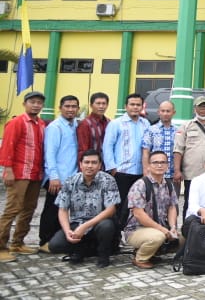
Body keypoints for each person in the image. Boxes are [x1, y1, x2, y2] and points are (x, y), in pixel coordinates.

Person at [48, 150, 120, 267]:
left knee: (106, 226)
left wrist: (85, 226)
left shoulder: (108, 180)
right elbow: (62, 209)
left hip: (99, 224)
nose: (90, 166)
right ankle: (81, 250)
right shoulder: (70, 181)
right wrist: (67, 231)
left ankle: (103, 255)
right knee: (55, 245)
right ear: (81, 164)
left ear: (100, 165)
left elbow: (111, 210)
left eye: (94, 162)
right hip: (77, 223)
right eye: (86, 162)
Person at [0, 90, 47, 262]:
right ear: (25, 104)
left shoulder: (41, 124)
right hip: (19, 173)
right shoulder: (17, 122)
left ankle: (17, 242)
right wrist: (8, 169)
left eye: (39, 103)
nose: (36, 105)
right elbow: (8, 146)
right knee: (12, 209)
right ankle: (1, 246)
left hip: (35, 173)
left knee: (29, 209)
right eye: (32, 102)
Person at [124, 151, 179, 269]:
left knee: (185, 237)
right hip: (136, 230)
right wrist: (162, 230)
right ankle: (140, 258)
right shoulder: (140, 185)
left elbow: (172, 207)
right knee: (158, 237)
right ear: (148, 165)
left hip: (161, 227)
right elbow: (138, 214)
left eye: (163, 162)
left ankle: (155, 251)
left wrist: (173, 227)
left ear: (167, 165)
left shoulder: (169, 184)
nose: (159, 165)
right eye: (155, 162)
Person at [102, 92, 150, 228]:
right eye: (132, 104)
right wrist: (112, 168)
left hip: (140, 173)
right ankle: (116, 235)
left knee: (137, 206)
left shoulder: (145, 123)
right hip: (121, 172)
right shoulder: (116, 124)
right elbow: (107, 146)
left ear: (142, 107)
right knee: (119, 205)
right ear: (126, 106)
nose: (135, 107)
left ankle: (133, 233)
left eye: (138, 105)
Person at [40, 95, 80, 251]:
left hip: (71, 177)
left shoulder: (75, 125)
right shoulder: (55, 127)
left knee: (63, 210)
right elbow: (49, 154)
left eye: (74, 106)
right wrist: (54, 176)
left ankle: (58, 241)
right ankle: (45, 241)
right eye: (67, 106)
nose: (71, 109)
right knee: (52, 210)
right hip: (57, 178)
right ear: (60, 108)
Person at [173, 95, 205, 219]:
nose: (203, 110)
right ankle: (187, 228)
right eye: (200, 107)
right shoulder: (186, 126)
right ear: (194, 108)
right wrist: (177, 170)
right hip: (191, 173)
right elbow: (178, 150)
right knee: (190, 203)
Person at [141, 100, 179, 194]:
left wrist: (178, 171)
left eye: (168, 111)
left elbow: (179, 152)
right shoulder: (151, 130)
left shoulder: (178, 131)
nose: (165, 113)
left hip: (172, 175)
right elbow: (146, 151)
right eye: (163, 111)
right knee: (154, 200)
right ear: (158, 112)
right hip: (155, 174)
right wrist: (146, 170)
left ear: (173, 112)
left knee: (173, 200)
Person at [76, 92, 110, 162]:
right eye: (98, 103)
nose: (101, 106)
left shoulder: (109, 122)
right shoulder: (85, 124)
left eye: (104, 103)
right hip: (91, 163)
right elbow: (83, 148)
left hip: (106, 163)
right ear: (91, 105)